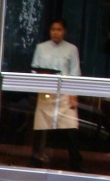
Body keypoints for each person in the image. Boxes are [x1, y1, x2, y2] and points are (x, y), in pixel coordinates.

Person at [30, 19, 83, 171]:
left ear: (64, 31)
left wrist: (74, 95)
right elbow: (34, 70)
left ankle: (75, 161)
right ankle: (36, 158)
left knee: (70, 127)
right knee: (41, 127)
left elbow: (75, 73)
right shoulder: (40, 48)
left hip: (65, 93)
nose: (56, 32)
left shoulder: (72, 49)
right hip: (46, 91)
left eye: (59, 29)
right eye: (53, 29)